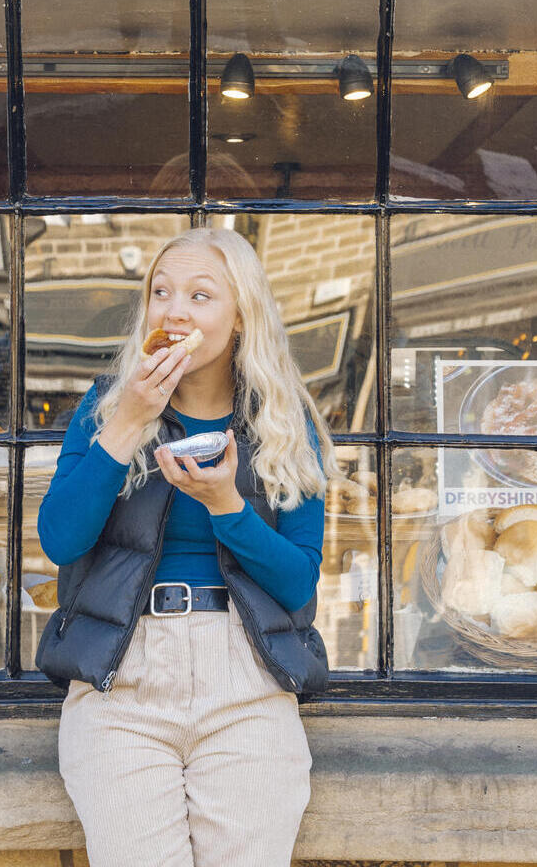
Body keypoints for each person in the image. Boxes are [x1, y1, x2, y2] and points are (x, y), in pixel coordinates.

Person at [34, 225, 331, 867]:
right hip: (123, 678)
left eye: (200, 295)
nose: (173, 310)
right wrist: (130, 420)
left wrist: (227, 505)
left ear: (240, 317)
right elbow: (60, 538)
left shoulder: (284, 421)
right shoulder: (106, 407)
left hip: (246, 676)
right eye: (161, 292)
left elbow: (300, 584)